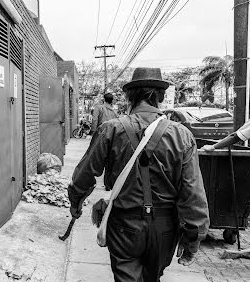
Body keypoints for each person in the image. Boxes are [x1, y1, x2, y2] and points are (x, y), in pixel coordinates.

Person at [68, 67, 210, 282]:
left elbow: (86, 173)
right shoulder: (182, 135)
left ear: (129, 97)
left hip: (124, 224)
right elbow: (192, 191)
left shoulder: (111, 129)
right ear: (161, 96)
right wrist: (194, 236)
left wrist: (76, 201)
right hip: (165, 228)